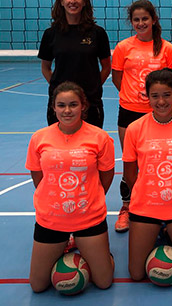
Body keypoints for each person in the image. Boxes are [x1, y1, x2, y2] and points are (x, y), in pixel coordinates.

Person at [26, 81, 115, 292]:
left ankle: (103, 254)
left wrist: (89, 198)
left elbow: (106, 176)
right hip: (51, 218)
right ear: (53, 107)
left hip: (88, 216)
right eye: (61, 105)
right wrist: (53, 197)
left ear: (83, 106)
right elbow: (37, 176)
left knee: (104, 282)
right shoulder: (39, 138)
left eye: (73, 105)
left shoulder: (100, 137)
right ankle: (66, 246)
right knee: (38, 286)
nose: (67, 110)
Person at [122, 68, 172, 281]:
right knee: (136, 274)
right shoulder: (135, 128)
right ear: (147, 97)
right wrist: (144, 194)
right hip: (145, 206)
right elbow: (129, 173)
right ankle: (159, 231)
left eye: (166, 95)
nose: (161, 101)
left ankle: (168, 231)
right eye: (155, 96)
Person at [112, 0, 172, 233]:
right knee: (131, 162)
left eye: (145, 19)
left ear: (153, 20)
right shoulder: (123, 47)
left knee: (157, 161)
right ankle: (128, 207)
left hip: (158, 114)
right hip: (129, 111)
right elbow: (117, 78)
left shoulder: (167, 49)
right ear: (131, 22)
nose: (141, 23)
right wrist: (134, 97)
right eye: (136, 20)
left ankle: (160, 207)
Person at [39, 0, 111, 128]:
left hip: (90, 101)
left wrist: (94, 86)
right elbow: (45, 67)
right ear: (61, 1)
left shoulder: (97, 33)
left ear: (84, 2)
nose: (73, 1)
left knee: (91, 141)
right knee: (60, 141)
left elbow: (106, 67)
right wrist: (58, 88)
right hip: (61, 102)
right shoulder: (50, 34)